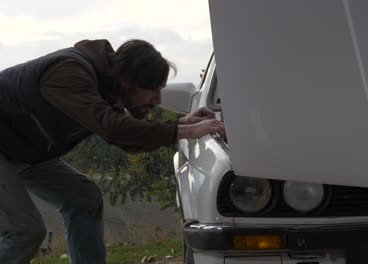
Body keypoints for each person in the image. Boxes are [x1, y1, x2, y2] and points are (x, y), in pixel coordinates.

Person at [0, 39, 224, 263]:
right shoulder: (67, 73)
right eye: (152, 89)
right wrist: (181, 130)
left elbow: (127, 140)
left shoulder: (107, 87)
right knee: (25, 231)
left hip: (23, 151)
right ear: (128, 80)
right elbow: (113, 128)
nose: (157, 100)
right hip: (9, 148)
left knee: (84, 198)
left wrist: (181, 125)